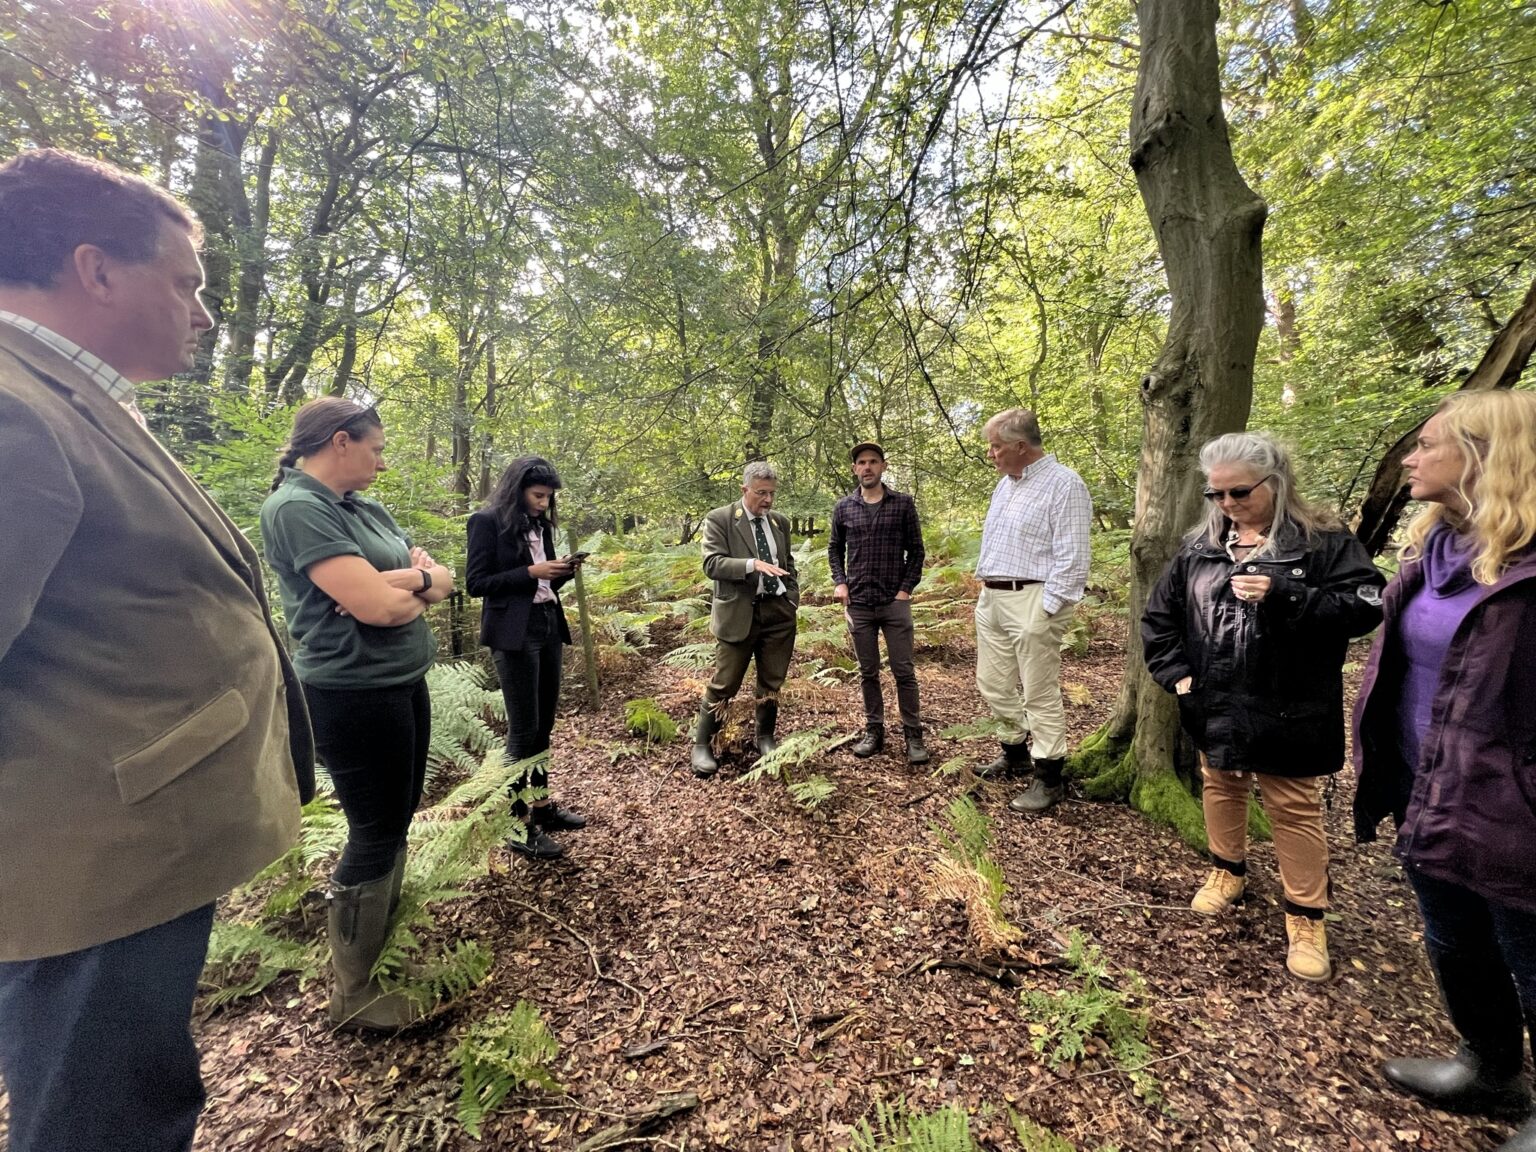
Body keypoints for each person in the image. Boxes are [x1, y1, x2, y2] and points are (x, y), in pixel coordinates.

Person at [0, 149, 311, 1152]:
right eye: (186, 283)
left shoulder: (70, 397)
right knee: (104, 1120)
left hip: (126, 853)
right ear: (95, 269)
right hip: (87, 870)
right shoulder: (14, 408)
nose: (205, 314)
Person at [1353, 391, 1536, 1150]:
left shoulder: (1527, 571)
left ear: (1487, 455)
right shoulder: (1433, 553)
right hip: (1427, 788)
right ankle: (1490, 1069)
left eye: (1428, 444)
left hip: (1513, 806)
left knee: (1531, 954)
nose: (1410, 458)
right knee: (1454, 936)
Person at [1142, 431, 1384, 983]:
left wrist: (1287, 594)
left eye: (1239, 492)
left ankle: (1306, 916)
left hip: (1290, 702)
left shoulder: (1322, 540)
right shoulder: (1200, 546)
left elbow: (1366, 605)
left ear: (1275, 483)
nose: (1226, 504)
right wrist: (1178, 677)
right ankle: (1227, 871)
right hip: (1214, 696)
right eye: (1216, 494)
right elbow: (1160, 618)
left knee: (1293, 805)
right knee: (1220, 782)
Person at [261, 397, 454, 1031]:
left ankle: (381, 958)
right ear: (340, 441)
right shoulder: (297, 508)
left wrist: (406, 582)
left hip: (401, 680)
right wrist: (407, 585)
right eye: (376, 448)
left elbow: (440, 579)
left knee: (397, 819)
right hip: (351, 693)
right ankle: (355, 993)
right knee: (375, 829)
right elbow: (378, 609)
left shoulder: (361, 507)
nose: (382, 461)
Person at [466, 456, 587, 860]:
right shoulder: (486, 522)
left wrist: (562, 571)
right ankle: (516, 824)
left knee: (544, 725)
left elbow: (544, 582)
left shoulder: (541, 525)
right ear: (516, 490)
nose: (543, 502)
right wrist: (532, 572)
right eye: (538, 495)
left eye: (548, 496)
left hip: (548, 623)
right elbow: (476, 583)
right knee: (522, 730)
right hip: (513, 634)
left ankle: (542, 806)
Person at [973, 407, 1092, 812]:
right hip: (992, 597)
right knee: (992, 682)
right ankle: (1015, 752)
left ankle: (1049, 775)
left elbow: (1074, 555)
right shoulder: (1005, 485)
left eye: (996, 446)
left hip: (1033, 598)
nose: (991, 453)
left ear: (1021, 447)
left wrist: (1048, 607)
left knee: (1039, 691)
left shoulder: (1065, 484)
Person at [690, 461, 800, 777]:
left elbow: (788, 563)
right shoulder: (720, 519)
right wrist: (751, 564)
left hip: (778, 613)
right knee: (725, 683)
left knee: (772, 681)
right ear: (744, 489)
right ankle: (703, 745)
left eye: (772, 493)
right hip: (738, 615)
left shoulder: (780, 522)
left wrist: (791, 597)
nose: (767, 500)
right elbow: (712, 564)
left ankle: (765, 738)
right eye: (761, 493)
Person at [829, 441, 929, 764]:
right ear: (854, 469)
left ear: (883, 466)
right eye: (861, 462)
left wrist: (905, 590)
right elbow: (834, 549)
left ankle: (913, 735)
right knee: (868, 671)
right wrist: (840, 582)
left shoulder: (902, 504)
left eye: (873, 461)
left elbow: (917, 551)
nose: (867, 467)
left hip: (893, 602)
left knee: (904, 671)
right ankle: (874, 730)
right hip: (858, 603)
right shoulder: (844, 507)